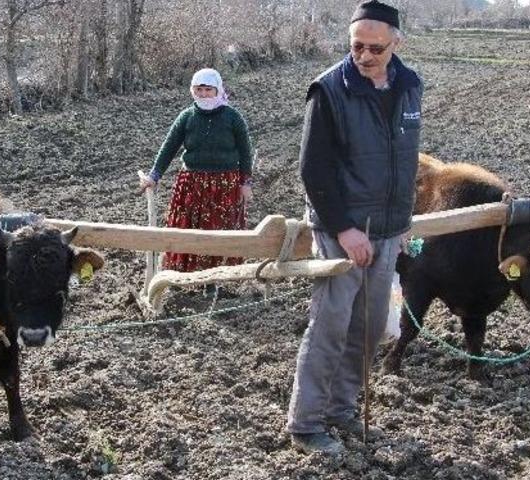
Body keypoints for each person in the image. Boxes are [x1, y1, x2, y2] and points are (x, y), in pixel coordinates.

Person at [287, 0, 424, 455]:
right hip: (340, 229)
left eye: (375, 48)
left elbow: (404, 160)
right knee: (330, 324)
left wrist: (401, 222)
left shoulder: (410, 87)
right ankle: (306, 423)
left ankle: (342, 409)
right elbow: (313, 169)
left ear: (396, 43)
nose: (364, 56)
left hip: (387, 229)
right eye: (356, 46)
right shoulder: (328, 90)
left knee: (367, 328)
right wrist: (345, 229)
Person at [139, 68, 254, 273]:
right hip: (192, 182)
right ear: (193, 91)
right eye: (199, 90)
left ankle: (218, 276)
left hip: (224, 185)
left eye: (208, 90)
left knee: (220, 229)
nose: (203, 94)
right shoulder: (187, 117)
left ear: (218, 90)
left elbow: (246, 153)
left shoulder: (233, 118)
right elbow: (169, 147)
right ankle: (185, 272)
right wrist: (154, 176)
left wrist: (245, 183)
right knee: (188, 227)